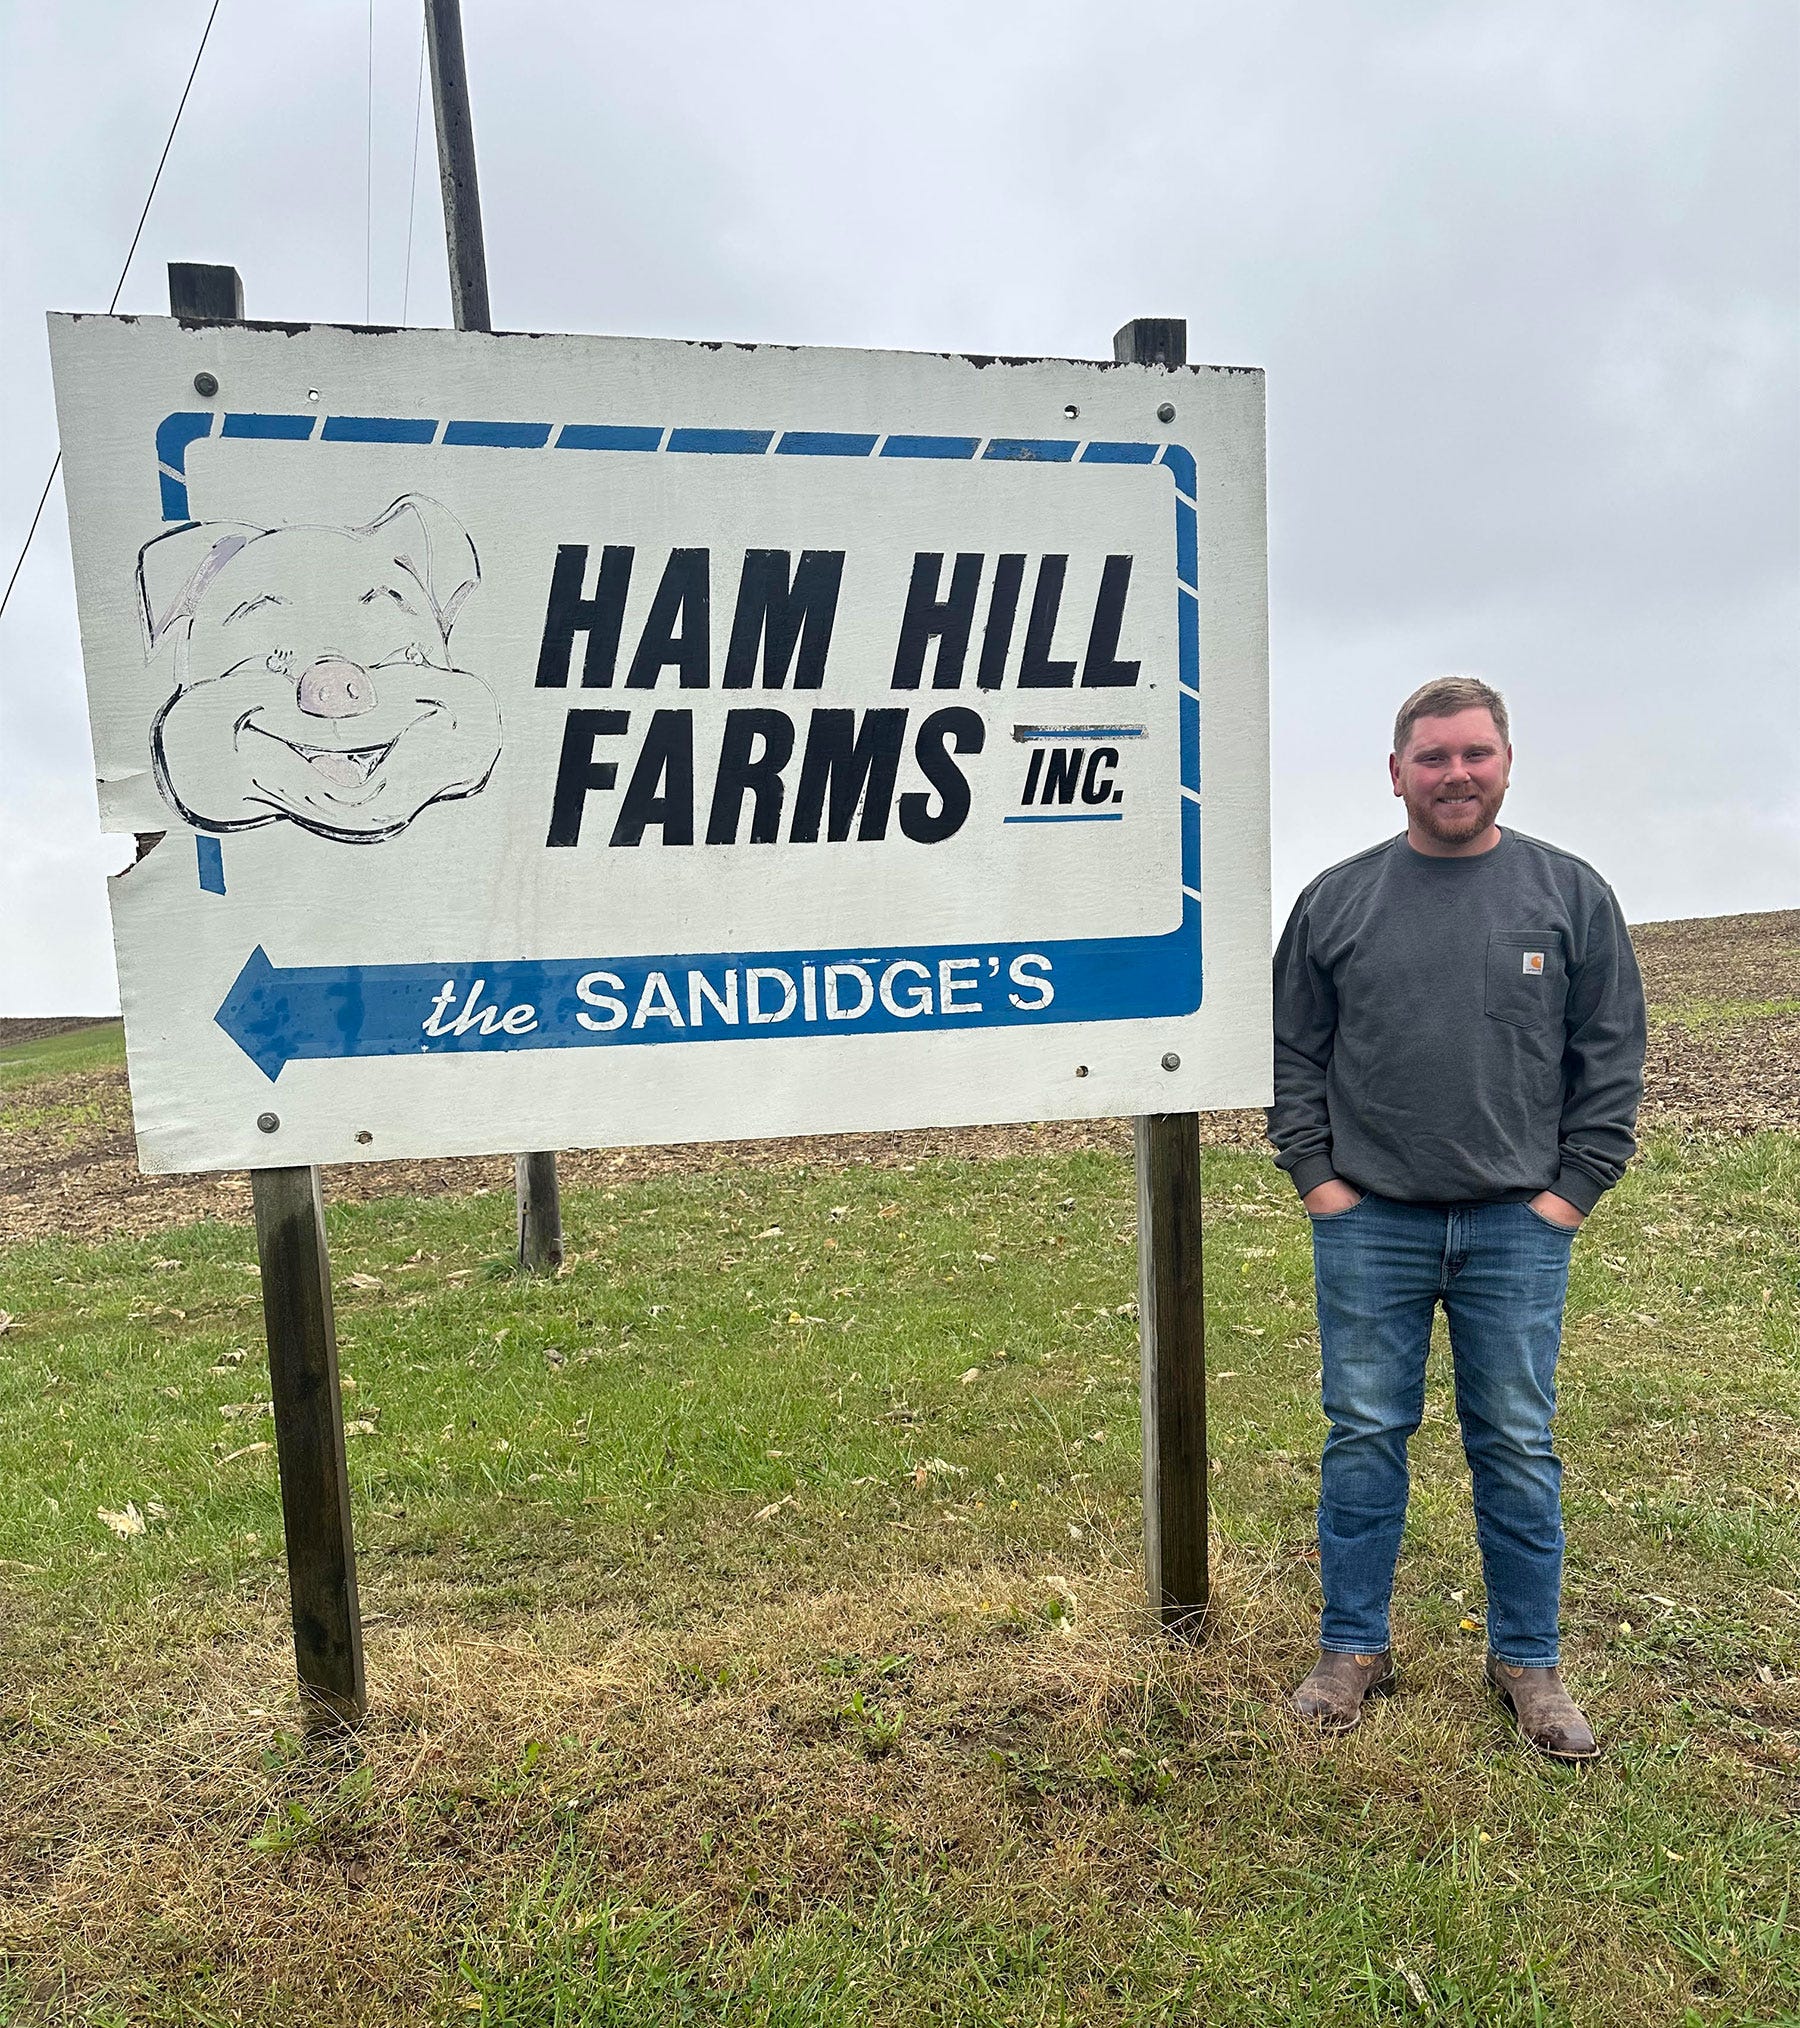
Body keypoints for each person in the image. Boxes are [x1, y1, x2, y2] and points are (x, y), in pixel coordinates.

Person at [1268, 676, 1645, 1760]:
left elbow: (1609, 1054)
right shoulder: (1338, 901)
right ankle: (1352, 1649)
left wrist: (1572, 1192)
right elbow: (1293, 1050)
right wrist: (1317, 1178)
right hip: (1369, 1220)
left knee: (1518, 1444)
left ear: (1507, 762)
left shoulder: (1568, 895)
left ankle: (1529, 1661)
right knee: (1364, 1437)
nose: (1455, 774)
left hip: (1516, 1228)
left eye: (1475, 753)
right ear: (1397, 773)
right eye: (1432, 757)